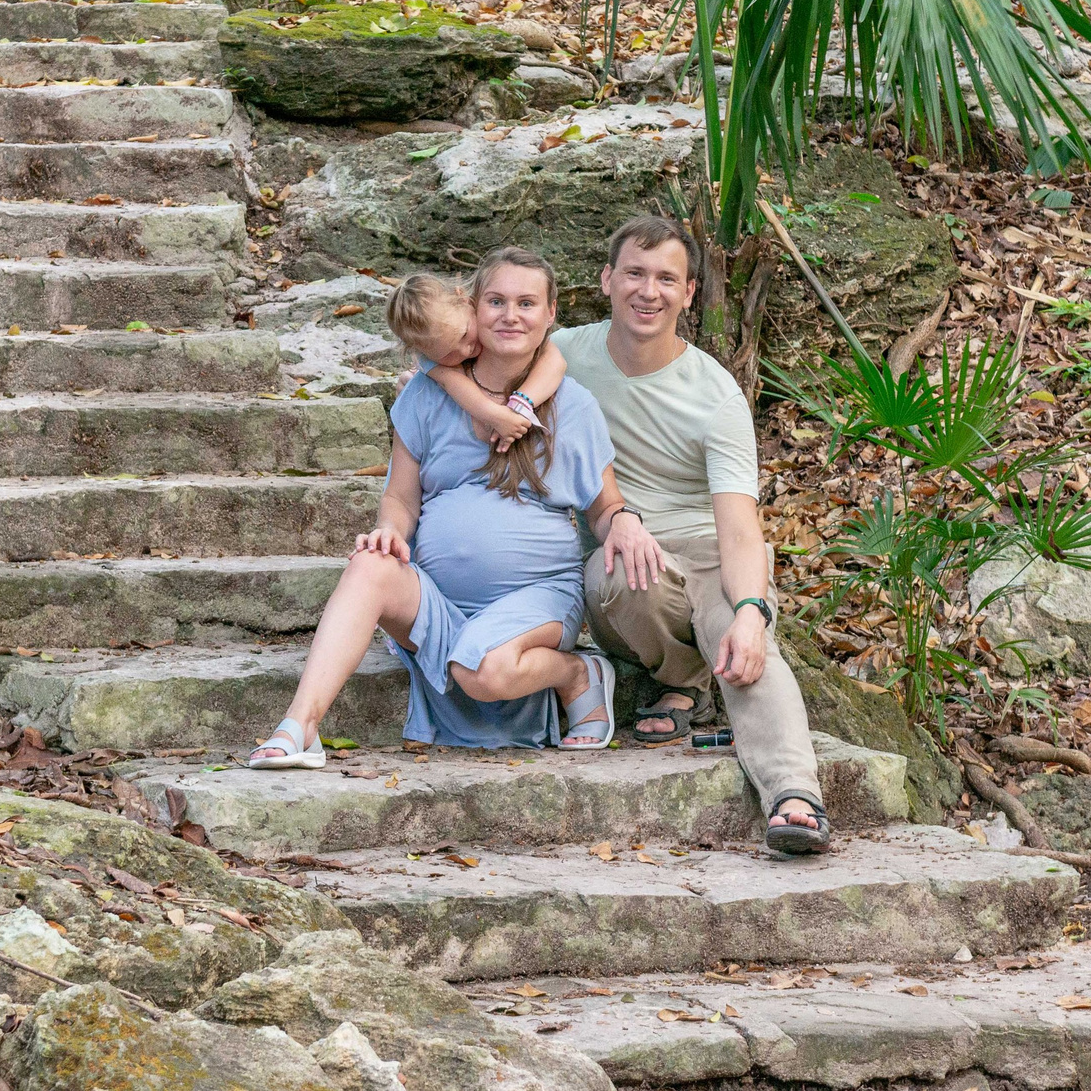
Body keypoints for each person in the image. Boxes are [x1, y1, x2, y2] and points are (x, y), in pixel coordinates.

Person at [246, 249, 624, 768]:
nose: (510, 315)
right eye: (496, 300)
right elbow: (401, 497)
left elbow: (604, 506)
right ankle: (300, 727)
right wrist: (390, 532)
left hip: (539, 598)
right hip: (440, 602)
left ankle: (577, 673)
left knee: (486, 670)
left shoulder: (573, 403)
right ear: (472, 306)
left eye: (526, 303)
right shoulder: (427, 394)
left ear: (551, 314)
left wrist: (624, 525)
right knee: (369, 564)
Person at [560, 215, 833, 856]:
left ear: (688, 294)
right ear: (606, 280)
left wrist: (750, 610)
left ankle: (795, 797)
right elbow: (480, 349)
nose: (647, 291)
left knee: (745, 642)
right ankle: (686, 677)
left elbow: (740, 527)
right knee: (620, 571)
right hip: (627, 552)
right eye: (634, 273)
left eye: (666, 279)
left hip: (712, 555)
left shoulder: (715, 393)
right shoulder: (564, 354)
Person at [384, 272, 569, 450]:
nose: (466, 350)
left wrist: (520, 403)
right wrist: (495, 416)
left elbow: (554, 359)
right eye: (447, 354)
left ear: (463, 298)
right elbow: (453, 383)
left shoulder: (496, 322)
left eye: (464, 334)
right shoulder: (430, 362)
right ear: (420, 352)